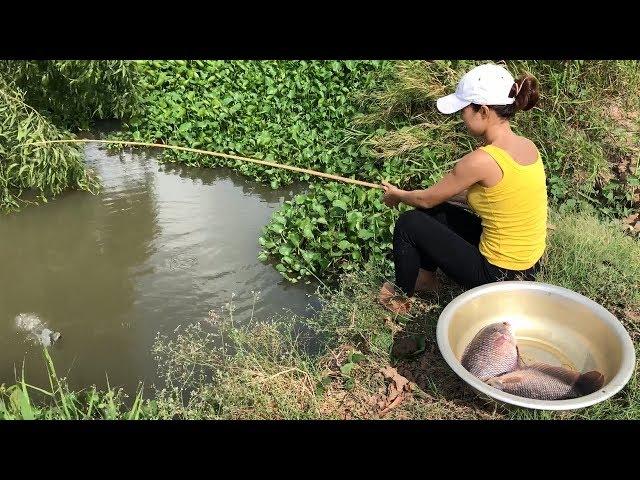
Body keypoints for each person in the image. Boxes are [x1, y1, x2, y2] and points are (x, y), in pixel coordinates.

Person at [378, 63, 548, 314]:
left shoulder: (482, 159)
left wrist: (398, 195)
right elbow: (495, 197)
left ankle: (401, 299)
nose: (462, 118)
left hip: (498, 276)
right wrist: (432, 195)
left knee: (408, 223)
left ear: (483, 110)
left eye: (464, 110)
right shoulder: (527, 146)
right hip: (528, 268)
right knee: (436, 211)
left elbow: (424, 200)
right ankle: (425, 280)